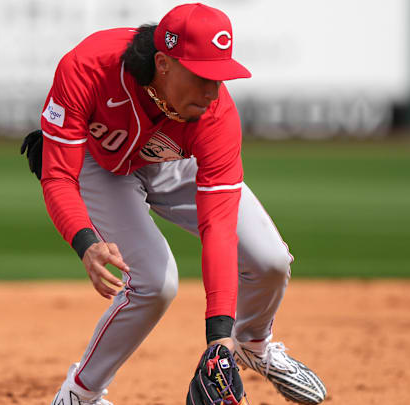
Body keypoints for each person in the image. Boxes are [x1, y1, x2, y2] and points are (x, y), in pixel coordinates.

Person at [24, 3, 326, 404]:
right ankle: (80, 395)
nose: (212, 91)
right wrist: (85, 242)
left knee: (269, 260)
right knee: (154, 282)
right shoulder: (89, 66)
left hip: (170, 162)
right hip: (101, 166)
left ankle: (252, 343)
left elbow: (218, 226)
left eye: (220, 77)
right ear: (163, 63)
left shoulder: (216, 115)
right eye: (202, 76)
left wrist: (220, 341)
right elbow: (59, 175)